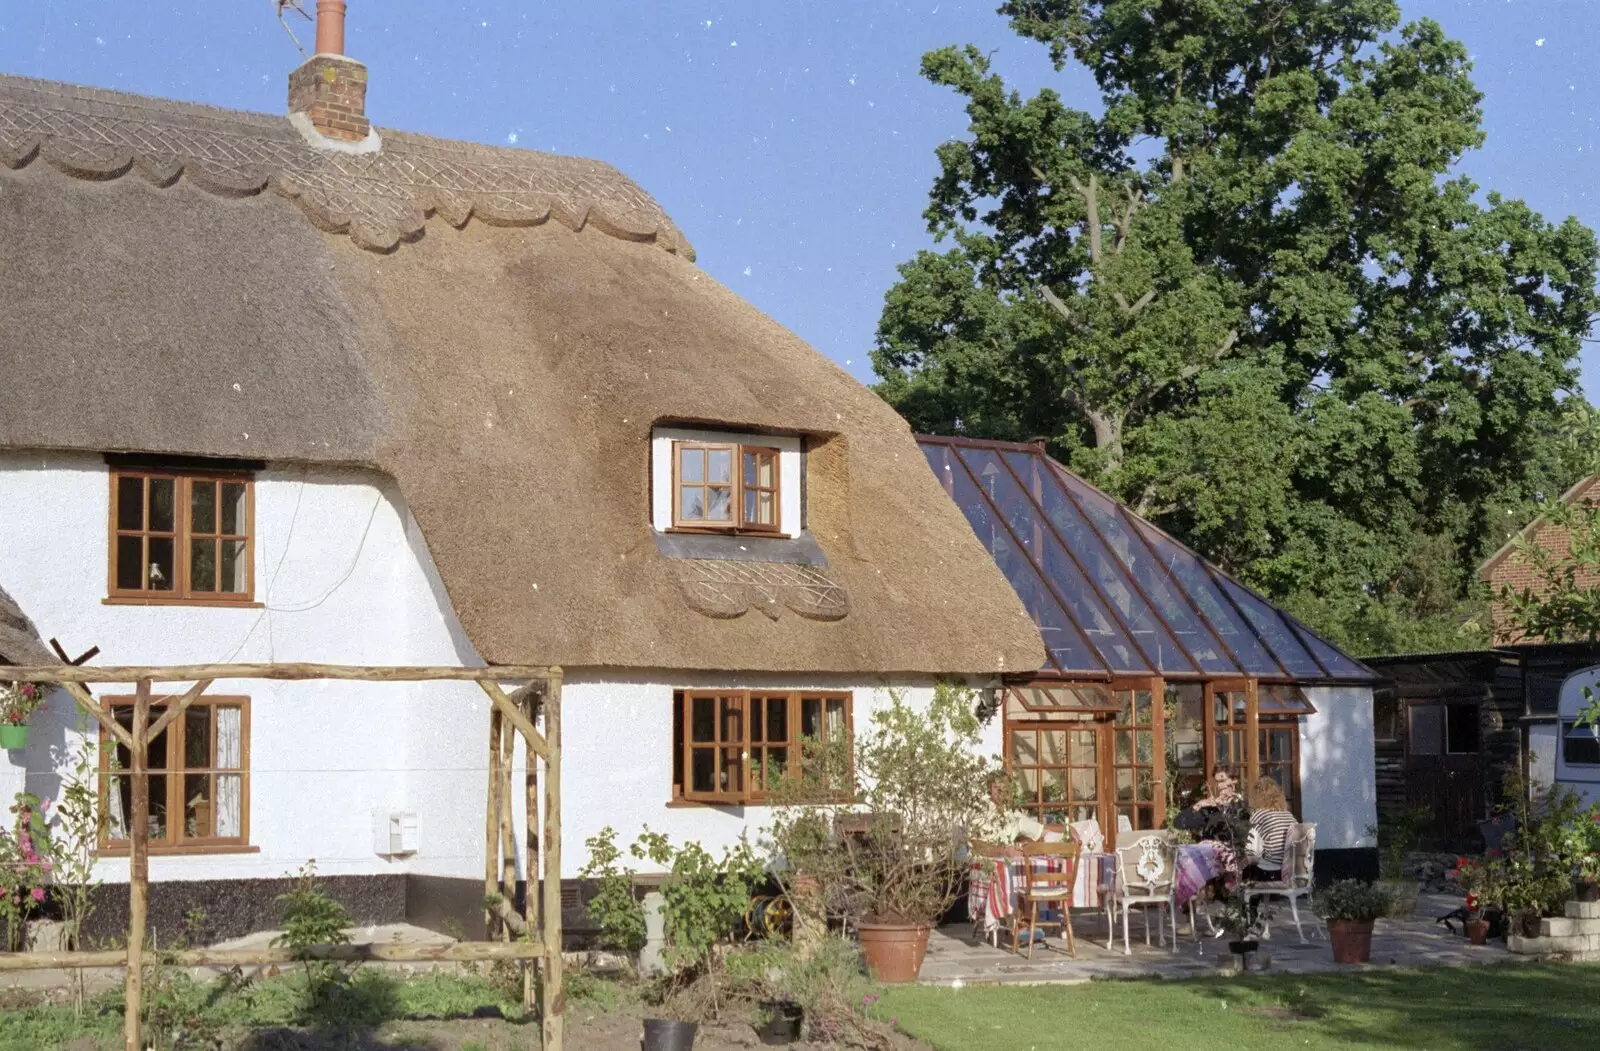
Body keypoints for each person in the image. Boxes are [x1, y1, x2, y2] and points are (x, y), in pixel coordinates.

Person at [1243, 777, 1298, 881]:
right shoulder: (1289, 815)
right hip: (1290, 871)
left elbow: (1253, 853)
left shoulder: (1259, 815)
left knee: (1245, 865)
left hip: (1270, 872)